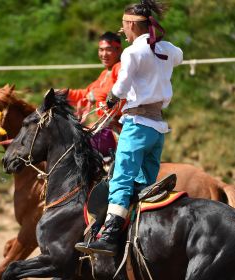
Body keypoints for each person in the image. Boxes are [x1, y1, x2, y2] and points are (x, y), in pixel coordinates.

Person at [75, 0, 183, 256]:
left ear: (132, 24)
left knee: (121, 179)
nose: (122, 30)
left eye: (124, 25)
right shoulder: (167, 49)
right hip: (157, 128)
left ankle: (110, 235)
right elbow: (178, 56)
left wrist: (111, 98)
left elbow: (122, 87)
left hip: (136, 126)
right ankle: (140, 231)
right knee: (144, 184)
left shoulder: (132, 53)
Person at [67, 32, 124, 157]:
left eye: (108, 50)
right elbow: (86, 93)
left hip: (117, 127)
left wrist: (96, 94)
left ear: (118, 50)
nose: (104, 54)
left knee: (76, 144)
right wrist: (63, 93)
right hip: (105, 126)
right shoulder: (104, 74)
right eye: (101, 50)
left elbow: (118, 90)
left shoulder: (120, 68)